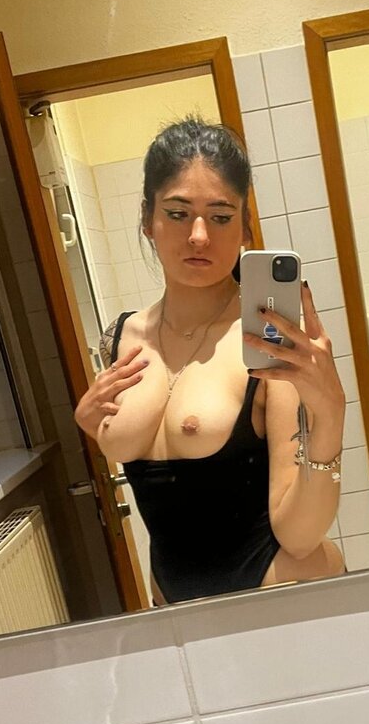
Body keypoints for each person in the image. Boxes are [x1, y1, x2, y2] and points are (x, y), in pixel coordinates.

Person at [74, 117, 345, 604]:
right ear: (148, 218)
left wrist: (330, 416)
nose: (199, 235)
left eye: (220, 217)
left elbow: (300, 537)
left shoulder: (267, 341)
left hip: (281, 599)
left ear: (244, 227)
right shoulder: (120, 338)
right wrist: (91, 427)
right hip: (174, 607)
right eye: (178, 213)